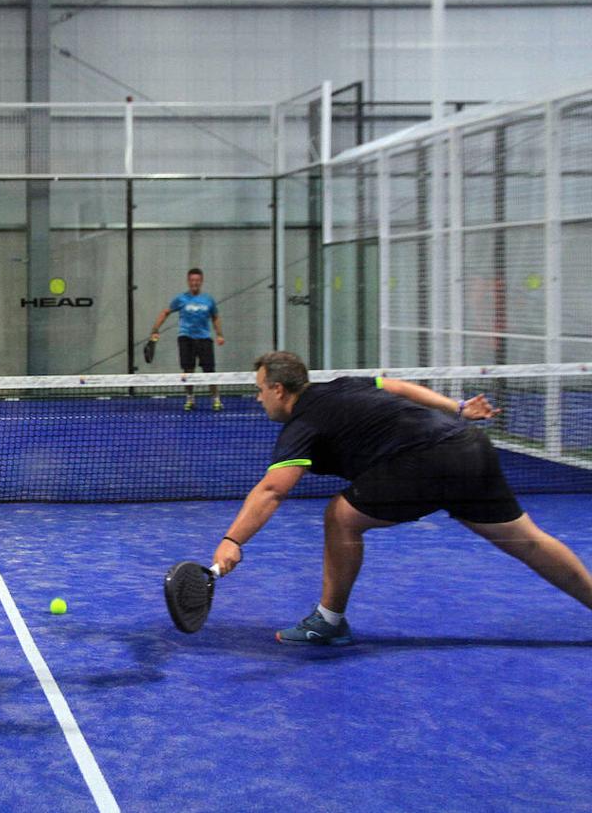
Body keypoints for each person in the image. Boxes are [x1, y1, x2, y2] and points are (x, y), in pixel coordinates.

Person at [210, 351, 592, 645]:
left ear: (278, 389)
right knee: (527, 541)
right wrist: (457, 408)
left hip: (426, 461)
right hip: (467, 444)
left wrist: (233, 540)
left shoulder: (303, 424)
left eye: (260, 389)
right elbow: (399, 387)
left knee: (340, 516)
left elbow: (273, 489)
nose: (258, 398)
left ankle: (328, 621)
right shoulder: (344, 384)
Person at [149, 268, 225, 411]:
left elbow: (215, 317)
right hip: (186, 339)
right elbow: (166, 312)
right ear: (188, 281)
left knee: (210, 371)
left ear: (201, 281)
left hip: (204, 339)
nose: (194, 283)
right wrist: (155, 329)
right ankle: (190, 399)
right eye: (192, 280)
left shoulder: (208, 300)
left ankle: (216, 399)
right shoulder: (181, 299)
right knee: (188, 370)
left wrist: (219, 334)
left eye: (197, 280)